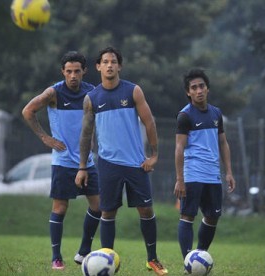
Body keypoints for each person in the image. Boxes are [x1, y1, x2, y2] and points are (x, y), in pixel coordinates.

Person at [75, 46, 168, 276]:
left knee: (146, 210)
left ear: (119, 66)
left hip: (137, 164)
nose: (109, 65)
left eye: (113, 61)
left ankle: (152, 260)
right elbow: (86, 135)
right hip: (107, 165)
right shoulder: (91, 98)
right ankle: (107, 259)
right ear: (98, 67)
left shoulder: (133, 91)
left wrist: (154, 155)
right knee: (107, 213)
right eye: (105, 61)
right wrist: (82, 167)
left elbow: (150, 123)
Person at [22, 51, 101, 270]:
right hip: (63, 162)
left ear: (84, 71)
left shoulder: (92, 93)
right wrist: (45, 137)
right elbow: (28, 111)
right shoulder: (54, 93)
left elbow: (95, 120)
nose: (73, 75)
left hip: (87, 162)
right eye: (69, 71)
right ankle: (56, 257)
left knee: (98, 206)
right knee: (60, 207)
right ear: (63, 72)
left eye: (77, 71)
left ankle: (84, 251)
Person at [173, 68, 236, 263]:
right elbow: (179, 148)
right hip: (192, 174)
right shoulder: (185, 115)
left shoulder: (216, 113)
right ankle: (188, 260)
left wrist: (229, 172)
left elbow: (223, 143)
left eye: (201, 86)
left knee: (212, 217)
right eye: (194, 88)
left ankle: (198, 257)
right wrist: (180, 179)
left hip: (213, 175)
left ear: (207, 89)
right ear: (188, 92)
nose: (198, 90)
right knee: (187, 216)